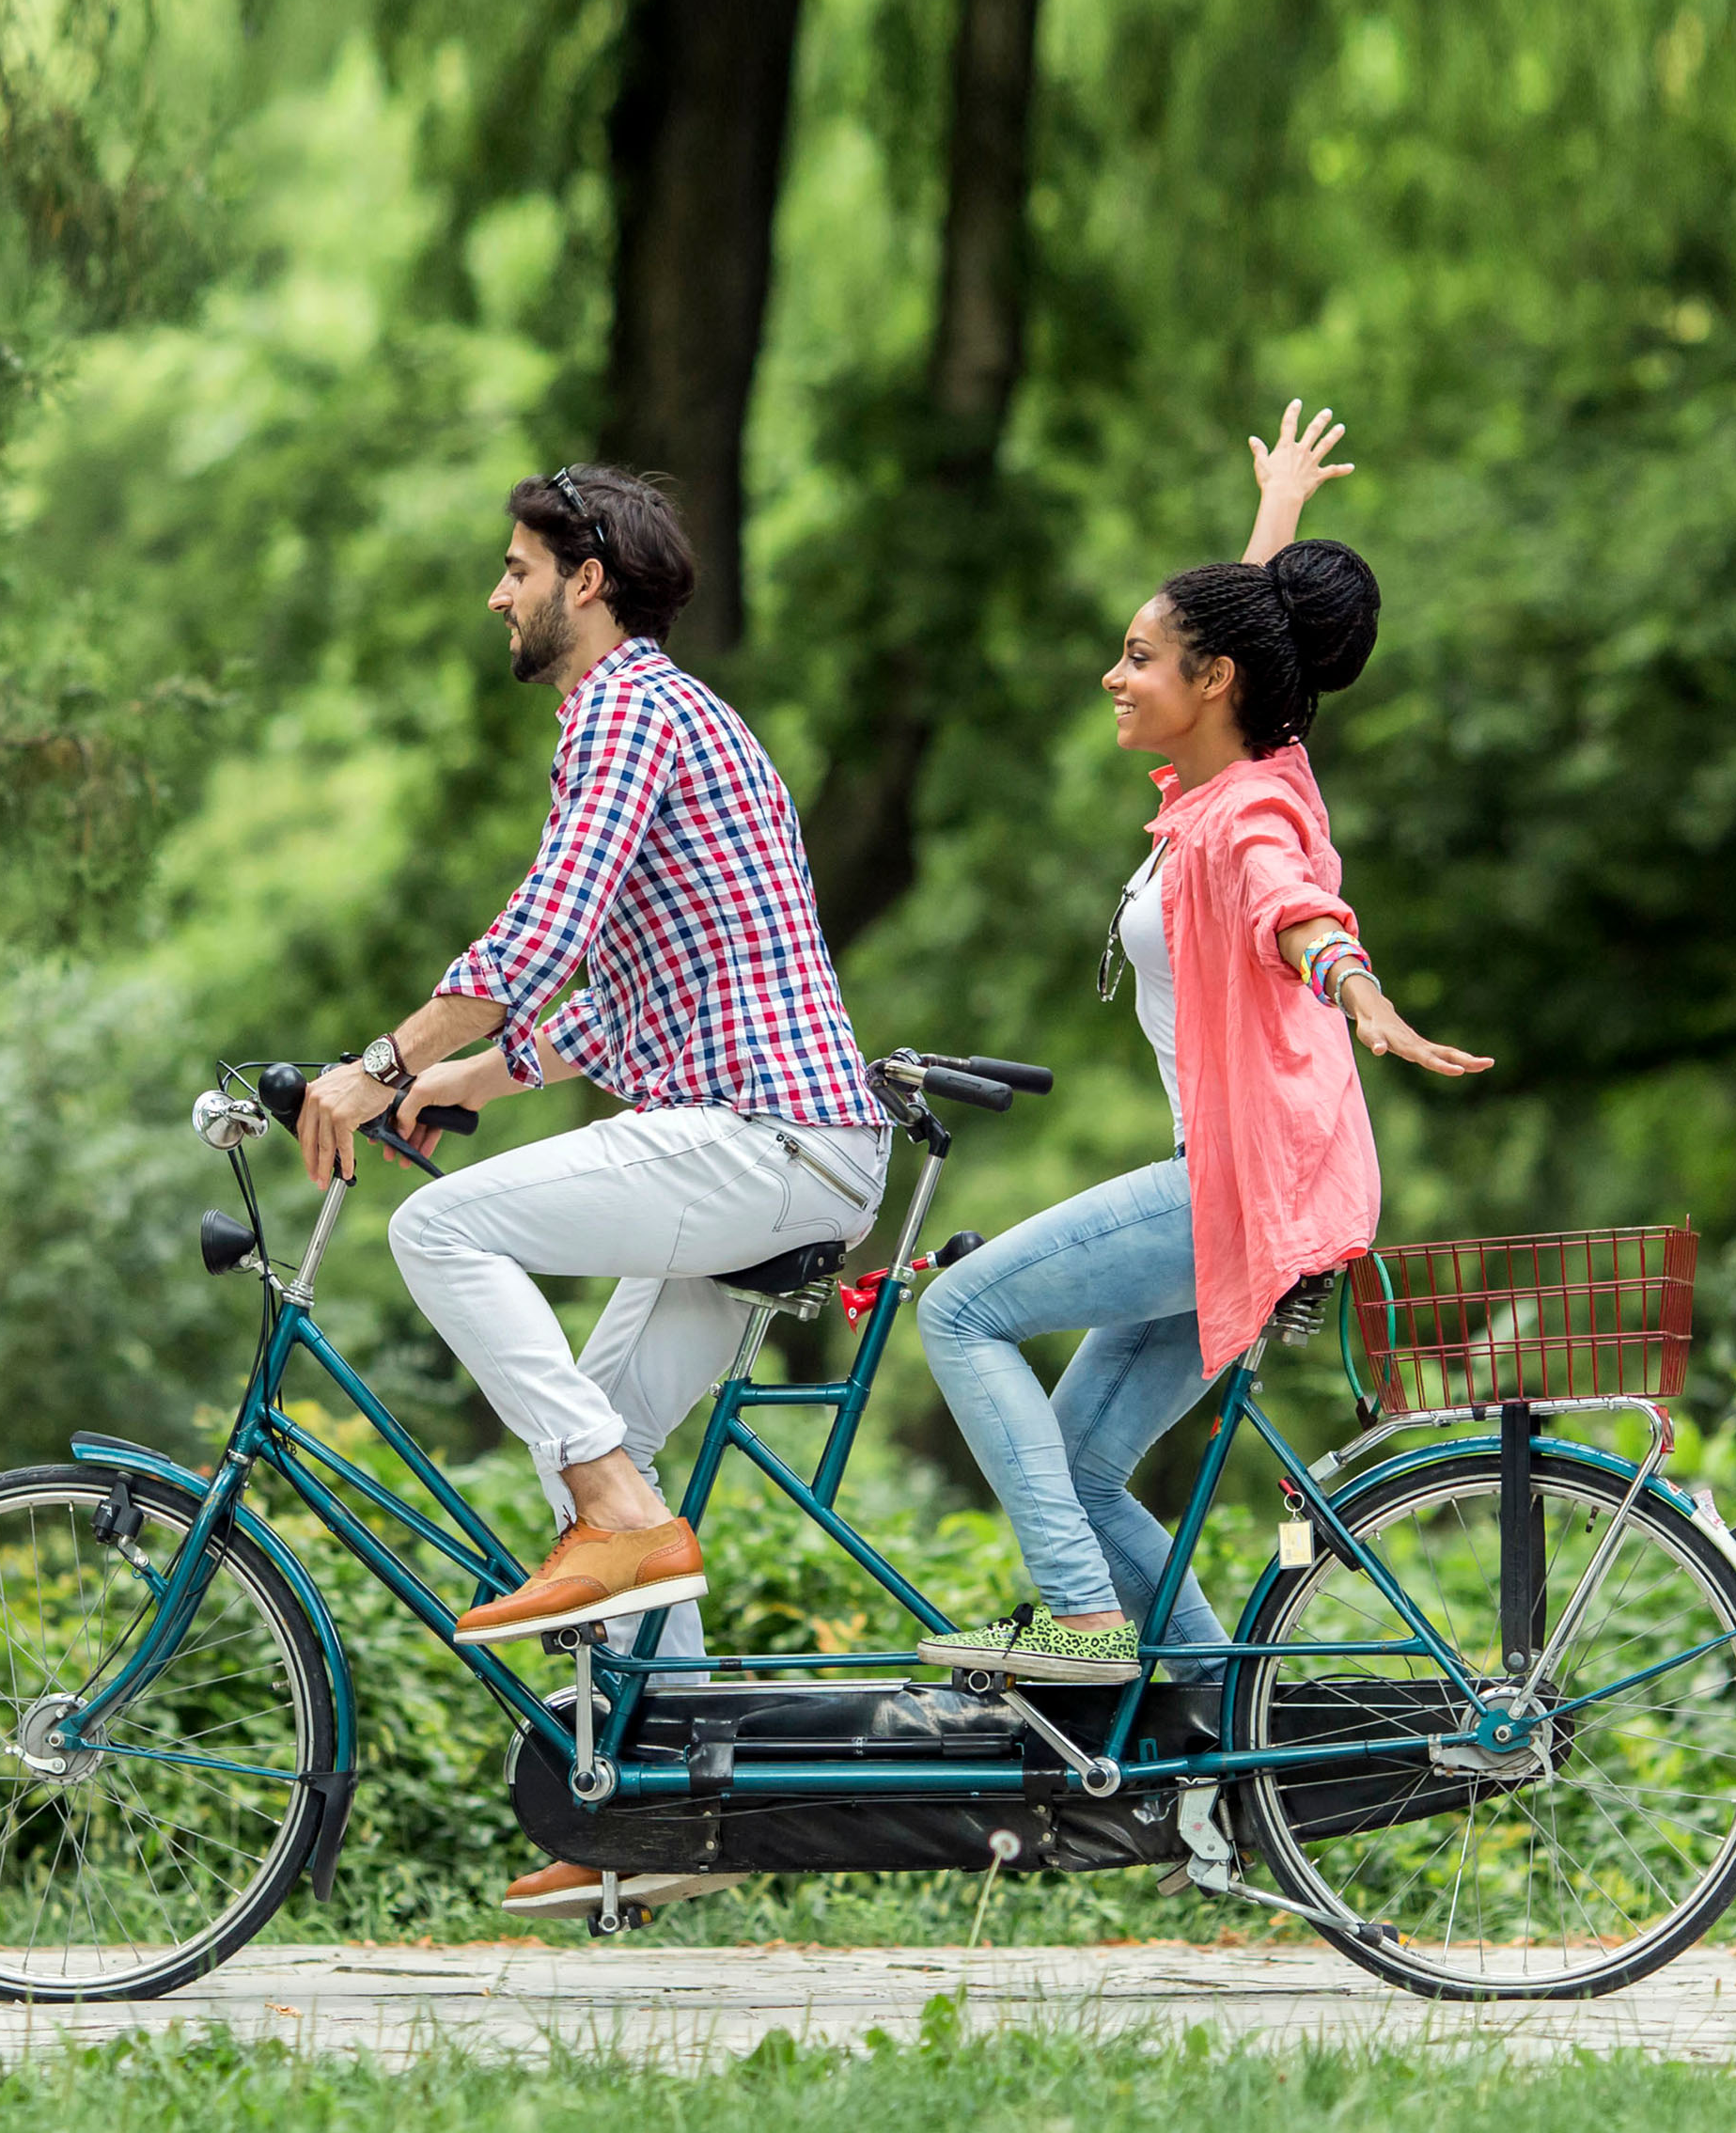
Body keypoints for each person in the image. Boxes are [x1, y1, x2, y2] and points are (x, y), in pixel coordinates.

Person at [291, 463, 891, 1918]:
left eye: (514, 566)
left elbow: (543, 927)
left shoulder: (627, 706)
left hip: (762, 1135)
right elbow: (594, 1012)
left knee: (442, 1228)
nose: (496, 592)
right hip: (780, 1144)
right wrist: (451, 1083)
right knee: (614, 1435)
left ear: (589, 579)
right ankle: (672, 1816)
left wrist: (380, 1060)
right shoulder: (663, 724)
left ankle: (607, 1514)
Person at [913, 404, 1492, 1685]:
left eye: (1138, 658)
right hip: (1269, 1188)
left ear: (1210, 685)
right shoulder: (1261, 762)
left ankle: (1079, 1620)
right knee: (1076, 1464)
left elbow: (1297, 910)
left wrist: (1360, 989)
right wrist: (1277, 512)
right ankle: (1236, 1763)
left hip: (1239, 1189)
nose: (1115, 677)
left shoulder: (1244, 825)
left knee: (959, 1315)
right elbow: (1245, 633)